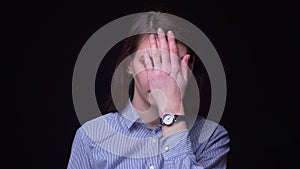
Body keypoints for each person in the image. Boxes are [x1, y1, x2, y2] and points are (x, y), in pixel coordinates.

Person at [67, 11, 230, 169]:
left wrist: (171, 111)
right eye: (150, 62)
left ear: (190, 67)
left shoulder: (211, 137)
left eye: (174, 63)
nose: (162, 76)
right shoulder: (91, 137)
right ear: (129, 65)